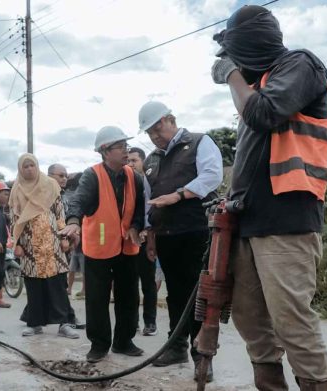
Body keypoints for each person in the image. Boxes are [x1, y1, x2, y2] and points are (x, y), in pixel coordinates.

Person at [211, 5, 327, 390]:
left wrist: (230, 73)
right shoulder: (261, 84)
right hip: (248, 220)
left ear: (248, 45)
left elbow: (264, 114)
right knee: (251, 320)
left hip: (288, 218)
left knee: (291, 321)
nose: (231, 65)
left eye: (234, 53)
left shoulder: (300, 65)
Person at [138, 100, 223, 382]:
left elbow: (212, 176)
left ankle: (202, 356)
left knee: (199, 295)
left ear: (170, 119)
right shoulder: (151, 160)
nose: (153, 135)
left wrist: (179, 194)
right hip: (166, 235)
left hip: (197, 232)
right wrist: (150, 235)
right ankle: (176, 347)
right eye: (148, 132)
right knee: (175, 294)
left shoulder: (199, 142)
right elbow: (149, 201)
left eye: (157, 127)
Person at [61, 126, 144, 363]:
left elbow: (139, 209)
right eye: (120, 147)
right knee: (97, 298)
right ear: (105, 151)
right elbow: (78, 201)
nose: (125, 151)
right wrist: (74, 221)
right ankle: (99, 345)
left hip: (127, 247)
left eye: (126, 146)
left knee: (128, 296)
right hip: (99, 248)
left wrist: (136, 227)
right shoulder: (92, 175)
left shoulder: (134, 177)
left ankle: (123, 341)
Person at [9, 154, 79, 340]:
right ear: (20, 169)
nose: (29, 169)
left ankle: (65, 324)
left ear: (37, 166)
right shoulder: (17, 190)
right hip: (30, 247)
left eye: (32, 165)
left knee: (58, 285)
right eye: (26, 166)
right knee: (34, 287)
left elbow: (59, 214)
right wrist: (16, 244)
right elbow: (14, 219)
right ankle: (35, 324)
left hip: (53, 244)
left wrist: (64, 237)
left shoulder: (50, 185)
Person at [47, 164, 85, 329]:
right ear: (50, 176)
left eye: (65, 176)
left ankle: (66, 318)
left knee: (56, 283)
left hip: (65, 246)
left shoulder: (65, 196)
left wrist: (72, 235)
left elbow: (68, 218)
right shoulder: (44, 195)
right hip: (48, 246)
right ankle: (66, 319)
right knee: (54, 283)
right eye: (60, 175)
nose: (64, 179)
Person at [127, 147, 158, 336]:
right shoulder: (126, 184)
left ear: (143, 162)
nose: (130, 164)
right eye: (128, 161)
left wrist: (148, 230)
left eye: (134, 161)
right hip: (128, 239)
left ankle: (150, 322)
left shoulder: (151, 182)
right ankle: (132, 323)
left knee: (148, 283)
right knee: (129, 284)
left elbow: (152, 208)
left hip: (148, 239)